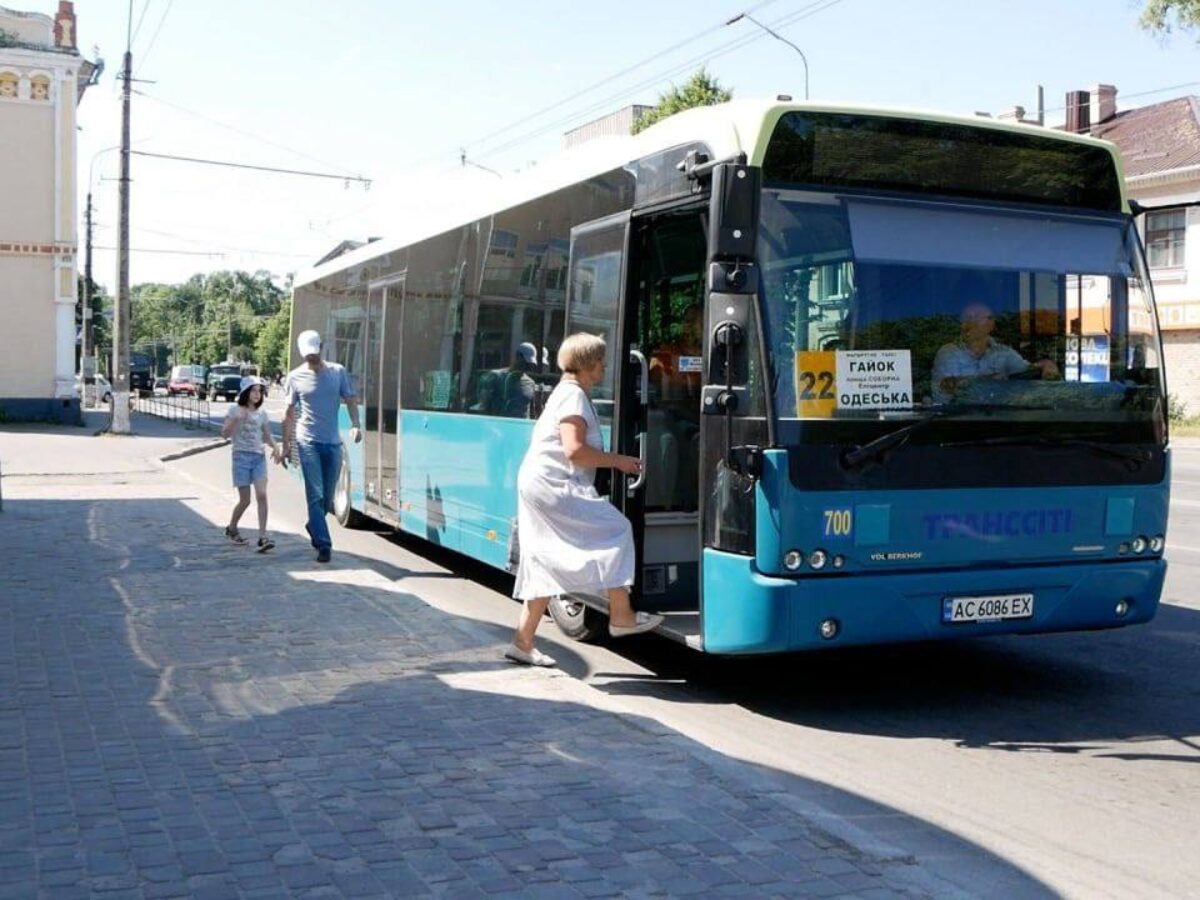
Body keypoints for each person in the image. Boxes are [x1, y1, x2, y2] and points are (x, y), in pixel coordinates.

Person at [506, 333, 663, 667]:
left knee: (542, 559)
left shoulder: (567, 392)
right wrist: (619, 460)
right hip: (554, 483)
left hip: (540, 482)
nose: (605, 367)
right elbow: (575, 451)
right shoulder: (574, 397)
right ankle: (621, 615)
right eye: (602, 361)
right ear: (589, 364)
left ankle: (522, 642)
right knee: (617, 529)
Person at [281, 330, 363, 563]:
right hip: (308, 442)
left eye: (314, 355)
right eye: (308, 356)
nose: (312, 360)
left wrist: (356, 423)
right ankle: (324, 545)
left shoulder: (337, 372)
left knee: (328, 498)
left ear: (322, 348)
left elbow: (350, 398)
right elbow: (288, 414)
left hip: (333, 443)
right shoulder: (295, 377)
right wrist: (286, 445)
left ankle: (314, 524)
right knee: (315, 495)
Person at [931, 302, 1060, 403]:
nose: (970, 322)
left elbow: (1028, 371)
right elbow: (944, 391)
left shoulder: (1003, 353)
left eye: (977, 317)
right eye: (967, 318)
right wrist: (990, 382)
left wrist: (1046, 364)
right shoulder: (948, 353)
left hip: (999, 421)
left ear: (991, 324)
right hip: (958, 423)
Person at [220, 376, 281, 553]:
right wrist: (236, 419)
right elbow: (224, 434)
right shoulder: (234, 410)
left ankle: (263, 537)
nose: (257, 394)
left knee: (262, 494)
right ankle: (232, 528)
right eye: (254, 390)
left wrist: (276, 447)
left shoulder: (262, 413)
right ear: (246, 392)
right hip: (240, 457)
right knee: (245, 500)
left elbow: (267, 434)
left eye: (260, 391)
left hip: (258, 457)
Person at [501, 342, 538, 417]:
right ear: (517, 356)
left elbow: (532, 409)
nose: (527, 365)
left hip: (522, 425)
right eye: (525, 361)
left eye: (529, 363)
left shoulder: (530, 383)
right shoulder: (498, 377)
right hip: (503, 424)